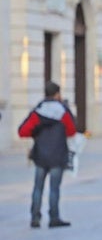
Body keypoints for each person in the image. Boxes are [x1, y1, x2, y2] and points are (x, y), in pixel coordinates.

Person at [18, 81, 77, 228]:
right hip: (57, 154)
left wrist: (37, 130)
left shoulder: (38, 111)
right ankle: (54, 217)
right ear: (57, 94)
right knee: (54, 188)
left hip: (41, 155)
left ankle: (35, 217)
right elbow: (71, 131)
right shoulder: (63, 111)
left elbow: (22, 131)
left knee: (38, 187)